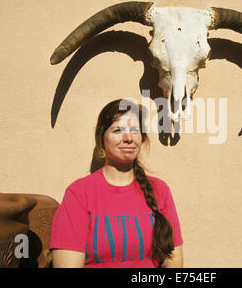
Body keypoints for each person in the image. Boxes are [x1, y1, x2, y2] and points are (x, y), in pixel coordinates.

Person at [49, 99, 183, 268]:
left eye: (135, 130)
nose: (128, 138)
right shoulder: (79, 193)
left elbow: (174, 261)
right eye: (118, 130)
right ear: (101, 138)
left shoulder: (160, 190)